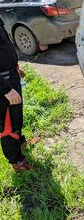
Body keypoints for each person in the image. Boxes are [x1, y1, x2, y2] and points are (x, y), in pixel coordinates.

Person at [0, 17, 31, 171]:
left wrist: (15, 67)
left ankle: (19, 142)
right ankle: (16, 161)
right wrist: (5, 89)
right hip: (3, 84)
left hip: (10, 75)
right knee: (7, 125)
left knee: (16, 116)